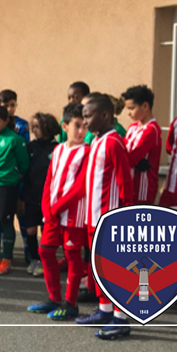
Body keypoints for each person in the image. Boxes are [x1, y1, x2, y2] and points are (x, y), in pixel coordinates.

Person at [71, 94, 134, 339]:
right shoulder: (96, 141)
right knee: (98, 268)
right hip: (93, 219)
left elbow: (125, 182)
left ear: (105, 116)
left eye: (88, 116)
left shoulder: (114, 143)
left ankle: (121, 318)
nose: (84, 121)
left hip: (110, 218)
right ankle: (105, 310)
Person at [27, 103, 88, 321]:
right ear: (65, 126)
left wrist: (57, 207)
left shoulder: (86, 153)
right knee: (45, 251)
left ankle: (71, 303)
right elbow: (49, 181)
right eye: (77, 126)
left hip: (73, 216)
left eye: (85, 126)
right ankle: (54, 298)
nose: (82, 131)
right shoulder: (59, 150)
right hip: (52, 214)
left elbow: (81, 188)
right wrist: (47, 208)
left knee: (73, 257)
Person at [0, 105, 29, 276]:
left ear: (6, 121)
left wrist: (16, 177)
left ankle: (6, 259)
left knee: (5, 221)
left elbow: (24, 164)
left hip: (6, 186)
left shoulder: (15, 140)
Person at [21, 112, 60, 277]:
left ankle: (46, 262)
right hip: (31, 195)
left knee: (46, 232)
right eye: (33, 127)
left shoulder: (57, 148)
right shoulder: (29, 147)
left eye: (37, 127)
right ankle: (33, 259)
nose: (34, 130)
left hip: (49, 197)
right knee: (30, 230)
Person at [121, 85, 162, 205]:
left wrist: (128, 159)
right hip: (129, 185)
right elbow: (123, 151)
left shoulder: (152, 130)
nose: (129, 113)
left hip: (143, 189)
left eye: (132, 108)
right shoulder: (132, 127)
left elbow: (131, 157)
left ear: (145, 106)